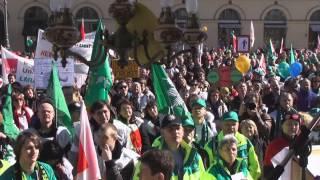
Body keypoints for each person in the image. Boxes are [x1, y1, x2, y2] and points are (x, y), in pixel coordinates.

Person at [204, 111, 261, 180]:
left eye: (234, 124)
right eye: (227, 124)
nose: (231, 127)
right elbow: (206, 170)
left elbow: (255, 167)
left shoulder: (246, 142)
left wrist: (247, 178)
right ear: (221, 124)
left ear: (238, 125)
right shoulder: (211, 145)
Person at [151, 114, 205, 179]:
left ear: (182, 131)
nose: (175, 132)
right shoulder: (151, 159)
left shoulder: (195, 157)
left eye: (178, 128)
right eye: (170, 129)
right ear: (162, 133)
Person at [263, 112, 302, 179]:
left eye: (296, 124)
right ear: (282, 126)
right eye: (289, 124)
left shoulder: (302, 143)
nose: (293, 127)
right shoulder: (274, 145)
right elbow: (267, 172)